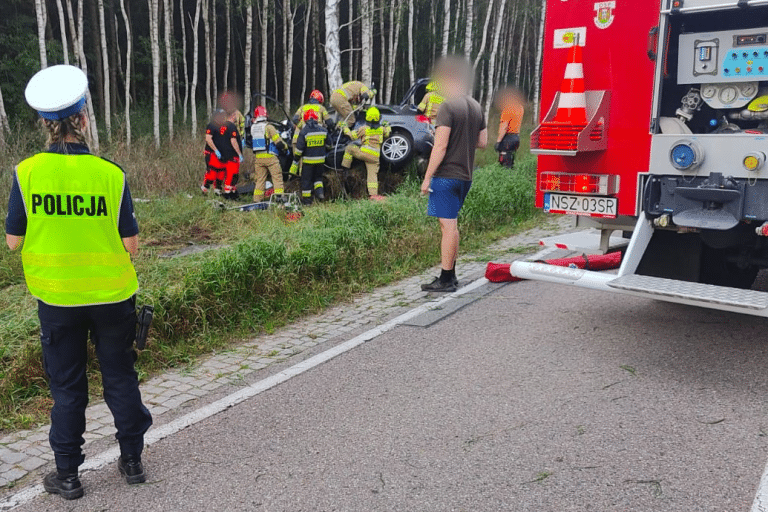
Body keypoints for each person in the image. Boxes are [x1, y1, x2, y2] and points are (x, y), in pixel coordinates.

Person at [5, 65, 152, 500]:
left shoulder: (27, 173)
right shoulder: (110, 174)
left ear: (45, 124)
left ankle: (67, 476)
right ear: (83, 120)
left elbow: (13, 242)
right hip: (112, 297)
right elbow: (132, 244)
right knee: (120, 378)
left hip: (57, 300)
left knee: (67, 388)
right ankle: (132, 461)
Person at [420, 56, 488, 292]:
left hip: (446, 175)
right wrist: (463, 138)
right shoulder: (476, 106)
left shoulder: (448, 107)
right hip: (465, 176)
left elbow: (440, 147)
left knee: (446, 226)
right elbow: (483, 142)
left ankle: (446, 279)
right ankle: (451, 274)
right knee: (452, 224)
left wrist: (427, 177)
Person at [341, 106, 391, 201]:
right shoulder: (381, 129)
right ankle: (373, 195)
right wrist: (387, 125)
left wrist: (345, 128)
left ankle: (345, 169)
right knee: (372, 176)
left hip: (363, 154)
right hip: (375, 157)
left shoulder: (364, 129)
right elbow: (387, 133)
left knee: (349, 148)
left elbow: (352, 136)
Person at [202, 108, 244, 199]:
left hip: (221, 154)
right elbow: (208, 139)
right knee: (212, 172)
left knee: (221, 173)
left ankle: (217, 190)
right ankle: (205, 190)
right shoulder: (212, 125)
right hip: (211, 153)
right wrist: (216, 150)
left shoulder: (225, 126)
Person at [251, 105, 288, 202]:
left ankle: (257, 199)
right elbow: (278, 143)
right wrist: (285, 147)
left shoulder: (253, 128)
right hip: (270, 157)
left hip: (258, 158)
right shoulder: (269, 127)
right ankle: (280, 198)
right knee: (277, 177)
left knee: (260, 180)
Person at [293, 109, 327, 205]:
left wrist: (296, 159)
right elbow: (329, 144)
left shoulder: (304, 132)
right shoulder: (324, 130)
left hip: (308, 162)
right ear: (317, 119)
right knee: (318, 178)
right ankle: (320, 193)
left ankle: (307, 202)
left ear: (305, 119)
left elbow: (299, 150)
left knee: (306, 181)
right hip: (320, 161)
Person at [494, 87, 525, 168]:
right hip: (516, 138)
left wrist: (498, 142)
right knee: (511, 161)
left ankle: (505, 175)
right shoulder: (520, 108)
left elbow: (504, 127)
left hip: (507, 139)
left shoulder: (507, 109)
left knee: (504, 162)